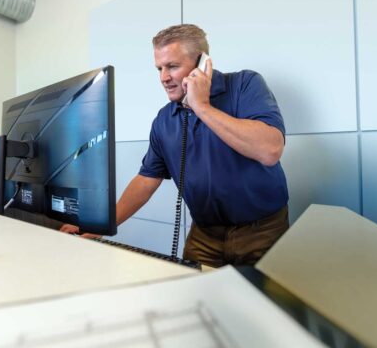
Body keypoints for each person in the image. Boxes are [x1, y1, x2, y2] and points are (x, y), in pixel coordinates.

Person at [61, 24, 289, 267]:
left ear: (201, 63)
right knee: (195, 295)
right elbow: (147, 180)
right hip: (205, 234)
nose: (163, 78)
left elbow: (270, 150)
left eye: (172, 66)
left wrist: (201, 107)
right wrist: (102, 224)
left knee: (261, 302)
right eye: (159, 68)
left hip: (261, 230)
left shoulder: (244, 84)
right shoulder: (163, 120)